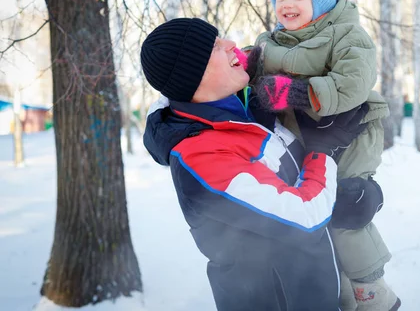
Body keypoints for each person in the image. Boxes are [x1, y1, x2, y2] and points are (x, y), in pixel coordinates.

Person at [140, 17, 385, 311]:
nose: (231, 44)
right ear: (194, 75)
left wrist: (344, 200)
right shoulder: (201, 157)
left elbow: (291, 188)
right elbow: (305, 218)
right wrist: (323, 151)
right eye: (215, 46)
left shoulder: (245, 114)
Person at [249, 0, 400, 311]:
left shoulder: (346, 34)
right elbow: (252, 79)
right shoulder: (268, 43)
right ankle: (342, 292)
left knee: (343, 207)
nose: (287, 5)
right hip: (302, 138)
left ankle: (372, 291)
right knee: (311, 214)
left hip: (353, 134)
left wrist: (298, 94)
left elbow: (353, 84)